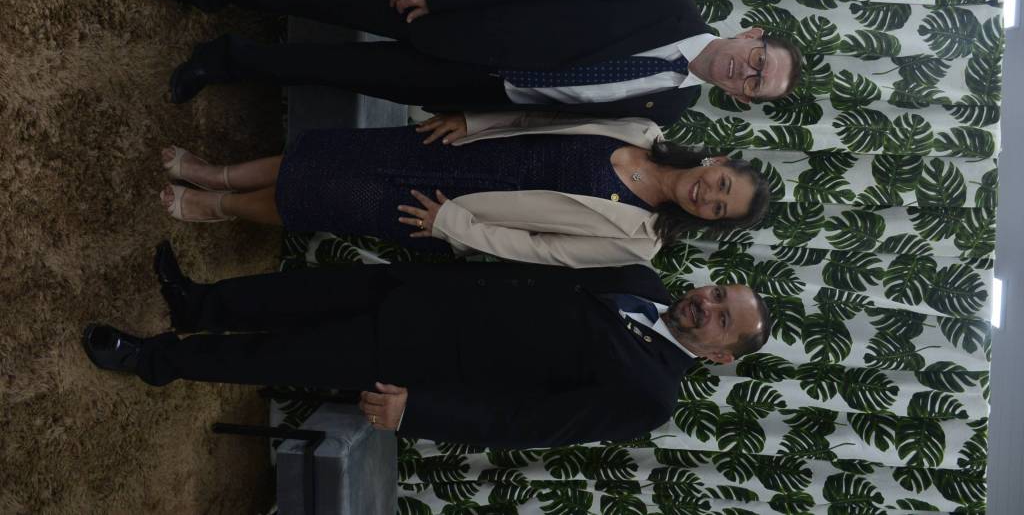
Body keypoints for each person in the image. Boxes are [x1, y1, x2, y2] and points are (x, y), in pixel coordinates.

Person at [82, 242, 772, 449]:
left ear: (719, 355)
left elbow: (529, 423)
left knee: (274, 356)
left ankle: (152, 360)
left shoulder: (650, 395)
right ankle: (196, 303)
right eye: (717, 293)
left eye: (722, 319)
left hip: (423, 359)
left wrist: (421, 411)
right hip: (427, 291)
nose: (706, 304)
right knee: (294, 294)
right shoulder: (642, 278)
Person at [137, 0, 803, 125]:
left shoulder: (670, 108)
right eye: (757, 60)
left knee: (333, 69)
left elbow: (566, 121)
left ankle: (225, 61)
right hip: (459, 12)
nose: (745, 72)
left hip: (474, 87)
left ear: (742, 100)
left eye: (755, 84)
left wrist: (473, 121)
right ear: (750, 33)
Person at [160, 112, 770, 267]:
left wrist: (451, 226)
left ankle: (219, 205)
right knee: (332, 154)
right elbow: (541, 117)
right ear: (717, 161)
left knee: (325, 199)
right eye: (721, 184)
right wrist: (473, 122)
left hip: (454, 209)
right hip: (462, 151)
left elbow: (542, 249)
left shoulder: (641, 241)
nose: (707, 196)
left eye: (719, 209)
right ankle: (218, 172)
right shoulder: (642, 129)